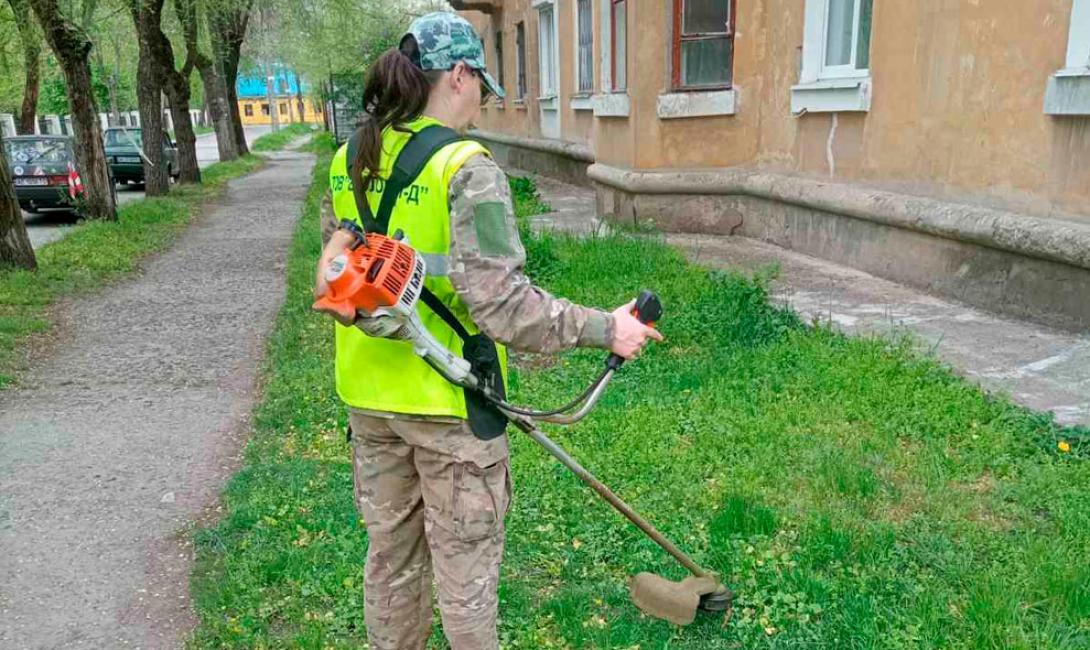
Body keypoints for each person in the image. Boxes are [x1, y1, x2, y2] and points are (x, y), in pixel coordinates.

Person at [314, 12, 662, 650]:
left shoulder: (348, 159)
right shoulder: (466, 168)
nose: (481, 102)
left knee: (391, 564)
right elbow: (504, 308)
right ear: (458, 74)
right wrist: (605, 328)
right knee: (465, 580)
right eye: (480, 85)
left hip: (369, 403)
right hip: (450, 407)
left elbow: (334, 270)